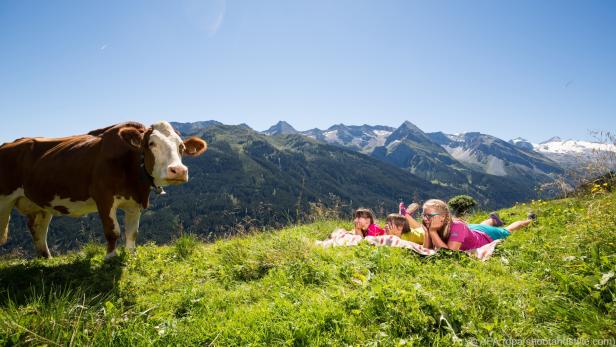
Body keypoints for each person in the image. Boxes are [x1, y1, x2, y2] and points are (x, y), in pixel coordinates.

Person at [422, 199, 535, 251]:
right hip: (469, 230)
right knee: (481, 225)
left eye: (429, 215)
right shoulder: (434, 224)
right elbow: (427, 248)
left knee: (507, 230)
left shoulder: (457, 226)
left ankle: (529, 220)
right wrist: (428, 232)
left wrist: (432, 232)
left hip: (484, 235)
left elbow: (449, 253)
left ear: (443, 216)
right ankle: (493, 219)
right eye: (424, 214)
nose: (425, 218)